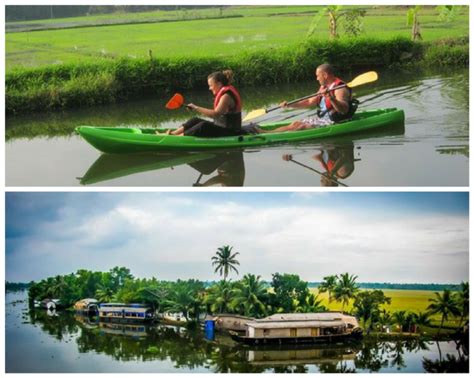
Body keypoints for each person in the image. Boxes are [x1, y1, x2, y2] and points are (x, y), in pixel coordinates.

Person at [255, 64, 356, 133]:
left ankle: (271, 135)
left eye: (318, 76)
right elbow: (308, 102)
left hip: (336, 121)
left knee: (302, 127)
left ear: (325, 75)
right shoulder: (324, 87)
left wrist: (331, 98)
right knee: (296, 123)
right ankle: (267, 133)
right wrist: (289, 105)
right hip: (323, 120)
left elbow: (344, 110)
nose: (316, 78)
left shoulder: (340, 88)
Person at [162, 70, 242, 137]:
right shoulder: (223, 94)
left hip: (230, 131)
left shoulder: (226, 96)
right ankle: (172, 134)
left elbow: (215, 114)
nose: (209, 88)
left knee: (203, 126)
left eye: (211, 85)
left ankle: (178, 138)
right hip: (220, 126)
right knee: (195, 120)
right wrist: (195, 108)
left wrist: (196, 108)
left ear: (219, 84)